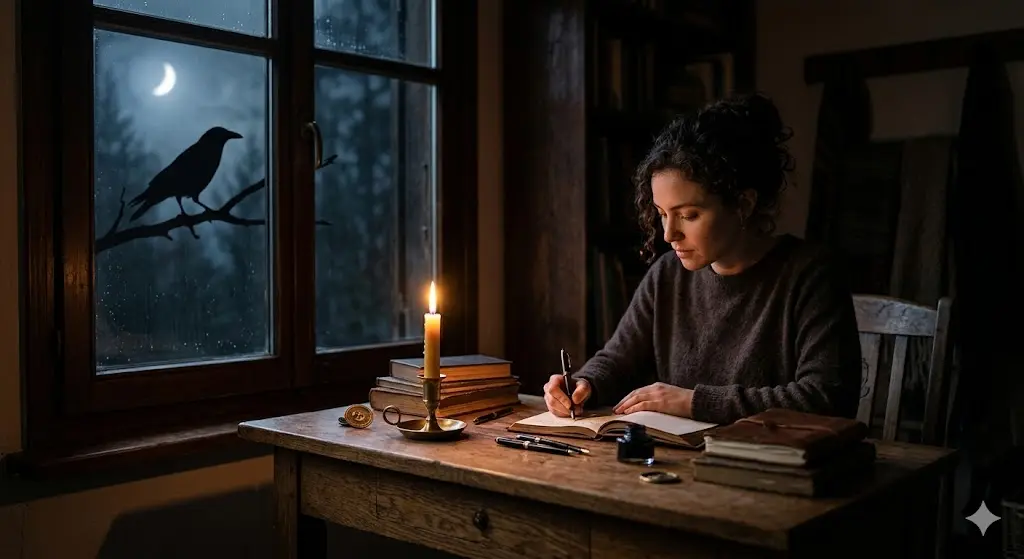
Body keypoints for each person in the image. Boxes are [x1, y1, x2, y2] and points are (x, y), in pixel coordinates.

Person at [543, 93, 863, 425]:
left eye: (689, 215)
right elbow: (618, 360)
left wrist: (696, 402)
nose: (669, 234)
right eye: (662, 214)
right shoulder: (667, 274)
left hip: (771, 469)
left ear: (744, 204)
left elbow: (826, 397)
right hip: (679, 464)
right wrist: (584, 384)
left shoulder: (810, 274)